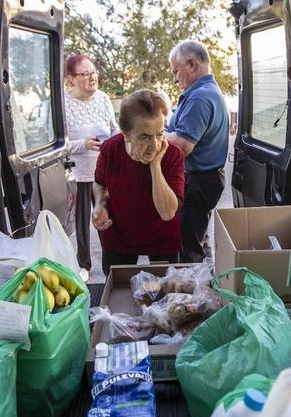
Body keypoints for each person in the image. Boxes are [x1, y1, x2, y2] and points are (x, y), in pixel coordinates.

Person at [92, 89, 185, 275]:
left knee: (166, 293)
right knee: (118, 290)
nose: (155, 145)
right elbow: (99, 183)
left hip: (162, 237)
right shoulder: (110, 150)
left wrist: (155, 166)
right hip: (119, 235)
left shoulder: (173, 155)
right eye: (144, 136)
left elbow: (167, 213)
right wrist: (100, 205)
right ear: (126, 133)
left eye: (160, 134)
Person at [166, 40, 230, 263]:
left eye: (176, 71)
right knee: (198, 240)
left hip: (199, 181)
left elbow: (182, 146)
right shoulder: (205, 92)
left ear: (191, 64)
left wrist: (153, 134)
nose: (174, 79)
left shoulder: (200, 97)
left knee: (189, 248)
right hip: (204, 180)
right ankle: (204, 282)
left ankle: (193, 293)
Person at [63, 54, 118, 281]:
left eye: (93, 72)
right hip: (78, 171)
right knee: (82, 220)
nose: (91, 78)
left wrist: (112, 142)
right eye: (84, 74)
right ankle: (83, 264)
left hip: (103, 171)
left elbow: (115, 129)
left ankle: (112, 263)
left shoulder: (104, 98)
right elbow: (59, 142)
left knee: (107, 217)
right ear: (71, 79)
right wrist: (82, 144)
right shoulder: (64, 103)